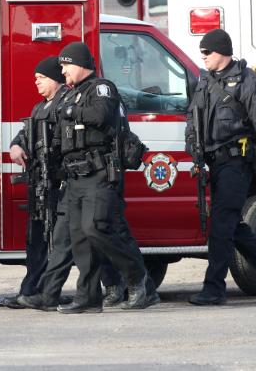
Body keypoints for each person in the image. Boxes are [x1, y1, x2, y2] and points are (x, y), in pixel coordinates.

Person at [184, 28, 256, 305]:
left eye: (207, 52)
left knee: (221, 225)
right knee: (233, 226)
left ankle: (214, 288)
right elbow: (192, 120)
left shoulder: (248, 81)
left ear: (221, 52)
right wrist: (194, 151)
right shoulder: (205, 82)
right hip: (213, 163)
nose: (203, 57)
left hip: (237, 162)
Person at [51, 41, 159, 313]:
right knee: (80, 240)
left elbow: (100, 115)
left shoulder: (102, 88)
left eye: (66, 66)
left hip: (99, 172)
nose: (62, 72)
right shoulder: (70, 93)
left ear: (79, 65)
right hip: (75, 176)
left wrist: (70, 112)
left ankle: (138, 281)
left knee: (97, 229)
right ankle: (88, 297)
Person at [3, 56, 70, 308]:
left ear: (54, 78)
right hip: (39, 181)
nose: (36, 83)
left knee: (54, 240)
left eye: (41, 78)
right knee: (36, 240)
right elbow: (26, 132)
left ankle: (45, 292)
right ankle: (31, 289)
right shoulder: (40, 107)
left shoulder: (64, 104)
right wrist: (16, 145)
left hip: (57, 182)